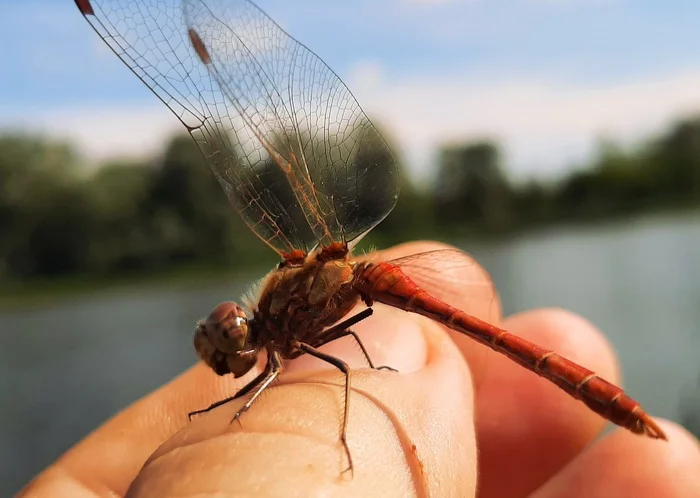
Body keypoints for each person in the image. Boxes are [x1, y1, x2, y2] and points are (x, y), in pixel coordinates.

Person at [21, 242, 700, 497]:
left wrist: (336, 446)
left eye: (230, 334)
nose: (232, 338)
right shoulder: (288, 315)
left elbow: (340, 368)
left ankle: (615, 407)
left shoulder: (284, 325)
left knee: (343, 370)